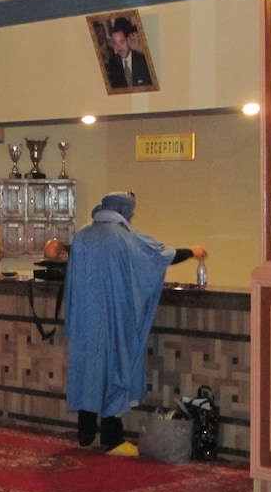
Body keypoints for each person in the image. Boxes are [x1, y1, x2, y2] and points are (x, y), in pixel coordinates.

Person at [64, 191, 207, 455]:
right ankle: (113, 439)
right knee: (114, 371)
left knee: (88, 373)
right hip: (113, 321)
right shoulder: (124, 237)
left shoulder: (82, 235)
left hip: (85, 321)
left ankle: (86, 435)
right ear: (123, 210)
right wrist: (192, 252)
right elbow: (159, 255)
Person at [104, 16, 153, 88]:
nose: (119, 48)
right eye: (115, 43)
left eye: (121, 42)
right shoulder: (113, 63)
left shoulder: (144, 60)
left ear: (128, 40)